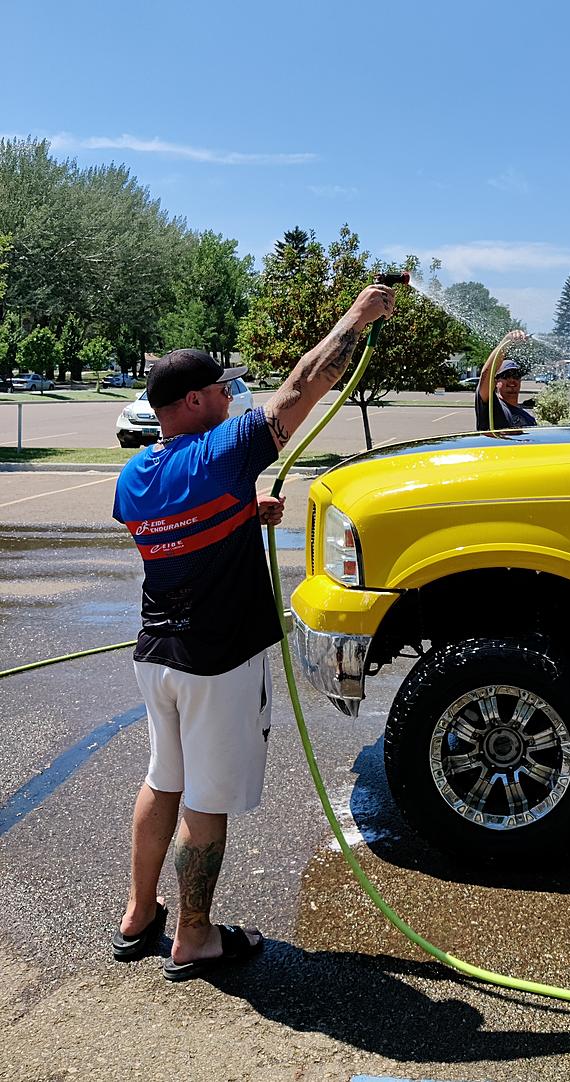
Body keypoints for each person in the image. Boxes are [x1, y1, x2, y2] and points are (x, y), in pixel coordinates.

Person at [110, 283, 394, 980]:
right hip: (218, 663)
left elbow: (177, 530)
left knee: (162, 781)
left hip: (158, 656)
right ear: (197, 402)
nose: (234, 400)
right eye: (224, 390)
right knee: (205, 803)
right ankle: (195, 937)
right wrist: (358, 317)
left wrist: (241, 512)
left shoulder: (133, 476)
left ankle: (139, 916)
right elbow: (304, 382)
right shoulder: (224, 451)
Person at [475, 329, 537, 430]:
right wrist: (506, 341)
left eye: (516, 375)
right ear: (495, 381)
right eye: (506, 375)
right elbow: (486, 373)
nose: (512, 380)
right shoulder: (491, 406)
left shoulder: (529, 418)